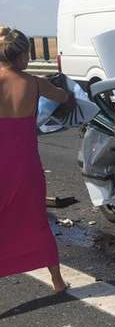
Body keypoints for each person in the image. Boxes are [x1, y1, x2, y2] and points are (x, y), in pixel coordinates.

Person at [0, 26, 73, 293]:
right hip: (25, 164)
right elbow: (64, 97)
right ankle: (57, 281)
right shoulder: (34, 83)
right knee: (35, 219)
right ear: (21, 55)